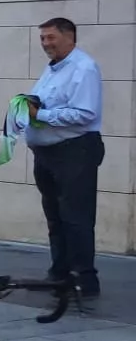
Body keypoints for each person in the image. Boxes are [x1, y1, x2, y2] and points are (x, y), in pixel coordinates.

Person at [27, 17, 103, 298]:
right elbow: (45, 102)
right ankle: (59, 274)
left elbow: (85, 113)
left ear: (69, 37)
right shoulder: (53, 68)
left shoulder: (84, 68)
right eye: (42, 38)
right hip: (48, 153)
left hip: (74, 151)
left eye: (51, 37)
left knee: (75, 218)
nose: (45, 43)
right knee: (55, 217)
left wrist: (41, 114)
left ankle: (83, 279)